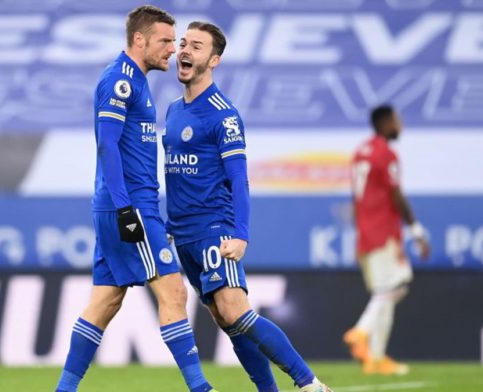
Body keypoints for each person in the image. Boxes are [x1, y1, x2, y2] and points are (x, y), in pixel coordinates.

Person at [163, 21, 332, 392]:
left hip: (214, 227)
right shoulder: (174, 111)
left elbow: (239, 179)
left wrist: (240, 234)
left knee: (236, 311)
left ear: (215, 60)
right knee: (227, 321)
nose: (185, 51)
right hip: (185, 235)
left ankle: (310, 384)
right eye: (183, 43)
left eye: (196, 46)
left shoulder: (224, 114)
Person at [55, 6, 216, 392]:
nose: (173, 50)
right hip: (131, 208)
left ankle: (64, 389)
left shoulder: (138, 81)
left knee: (105, 303)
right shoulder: (120, 81)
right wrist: (127, 207)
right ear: (139, 40)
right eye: (164, 41)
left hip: (120, 205)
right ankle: (200, 388)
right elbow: (107, 145)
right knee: (173, 292)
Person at [343, 105, 430, 375]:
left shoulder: (361, 152)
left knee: (385, 292)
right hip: (383, 230)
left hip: (366, 230)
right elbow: (397, 195)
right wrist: (416, 231)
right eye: (396, 121)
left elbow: (359, 196)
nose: (400, 126)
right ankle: (361, 331)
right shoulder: (385, 153)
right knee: (397, 285)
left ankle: (377, 359)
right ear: (385, 123)